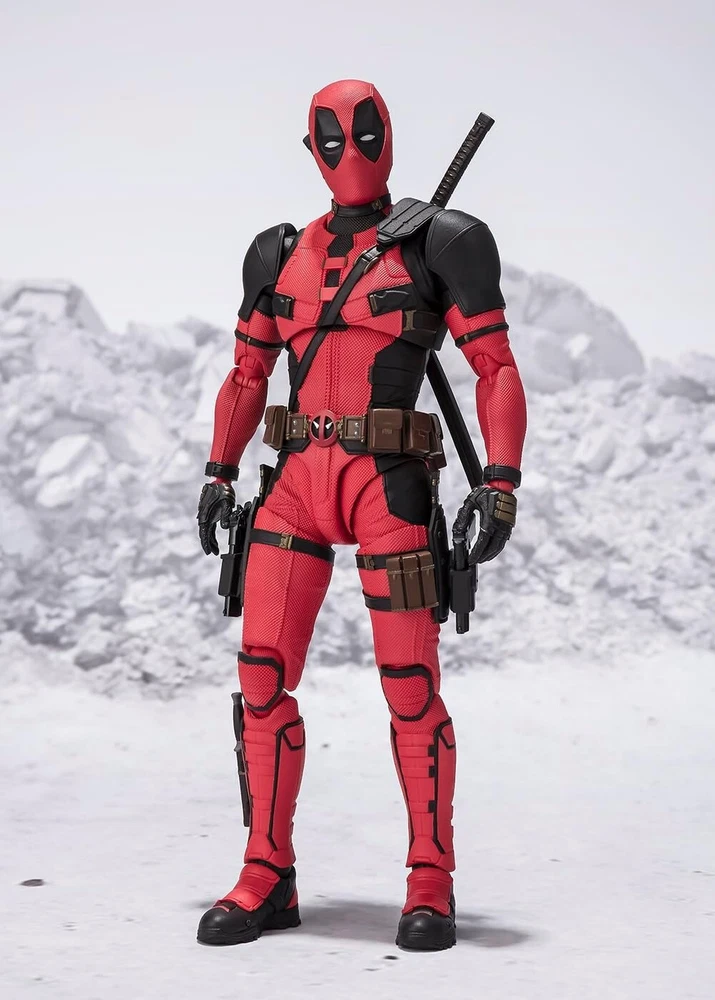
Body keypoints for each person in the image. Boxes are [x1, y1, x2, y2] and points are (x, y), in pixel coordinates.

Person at [195, 79, 527, 951]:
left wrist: (499, 481)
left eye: (367, 132)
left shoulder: (442, 242)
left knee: (411, 686)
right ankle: (266, 873)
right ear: (311, 150)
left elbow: (494, 366)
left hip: (389, 488)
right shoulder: (275, 254)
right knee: (259, 677)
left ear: (391, 137)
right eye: (333, 138)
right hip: (294, 487)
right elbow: (246, 374)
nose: (352, 151)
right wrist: (218, 472)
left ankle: (429, 880)